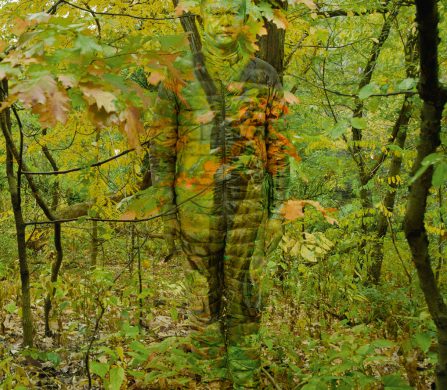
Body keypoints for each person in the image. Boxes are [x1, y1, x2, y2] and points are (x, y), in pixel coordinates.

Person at [149, 0, 290, 387]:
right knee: (202, 308)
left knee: (246, 306)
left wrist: (277, 211)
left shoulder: (264, 75)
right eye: (216, 13)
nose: (224, 22)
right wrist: (166, 211)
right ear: (202, 18)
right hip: (195, 210)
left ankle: (244, 382)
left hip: (249, 213)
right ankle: (212, 382)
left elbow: (277, 145)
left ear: (245, 20)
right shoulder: (178, 74)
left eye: (233, 13)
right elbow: (161, 147)